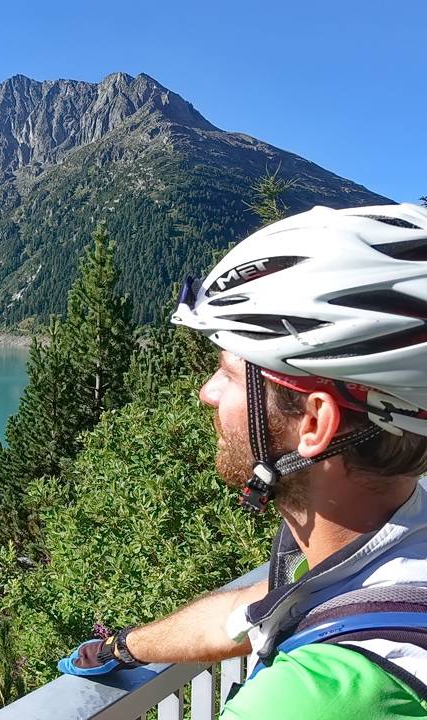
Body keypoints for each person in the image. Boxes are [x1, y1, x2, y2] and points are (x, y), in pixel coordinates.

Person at [59, 203, 427, 717]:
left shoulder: (315, 701)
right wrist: (122, 647)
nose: (206, 393)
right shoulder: (401, 552)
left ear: (314, 424)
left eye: (230, 374)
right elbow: (251, 611)